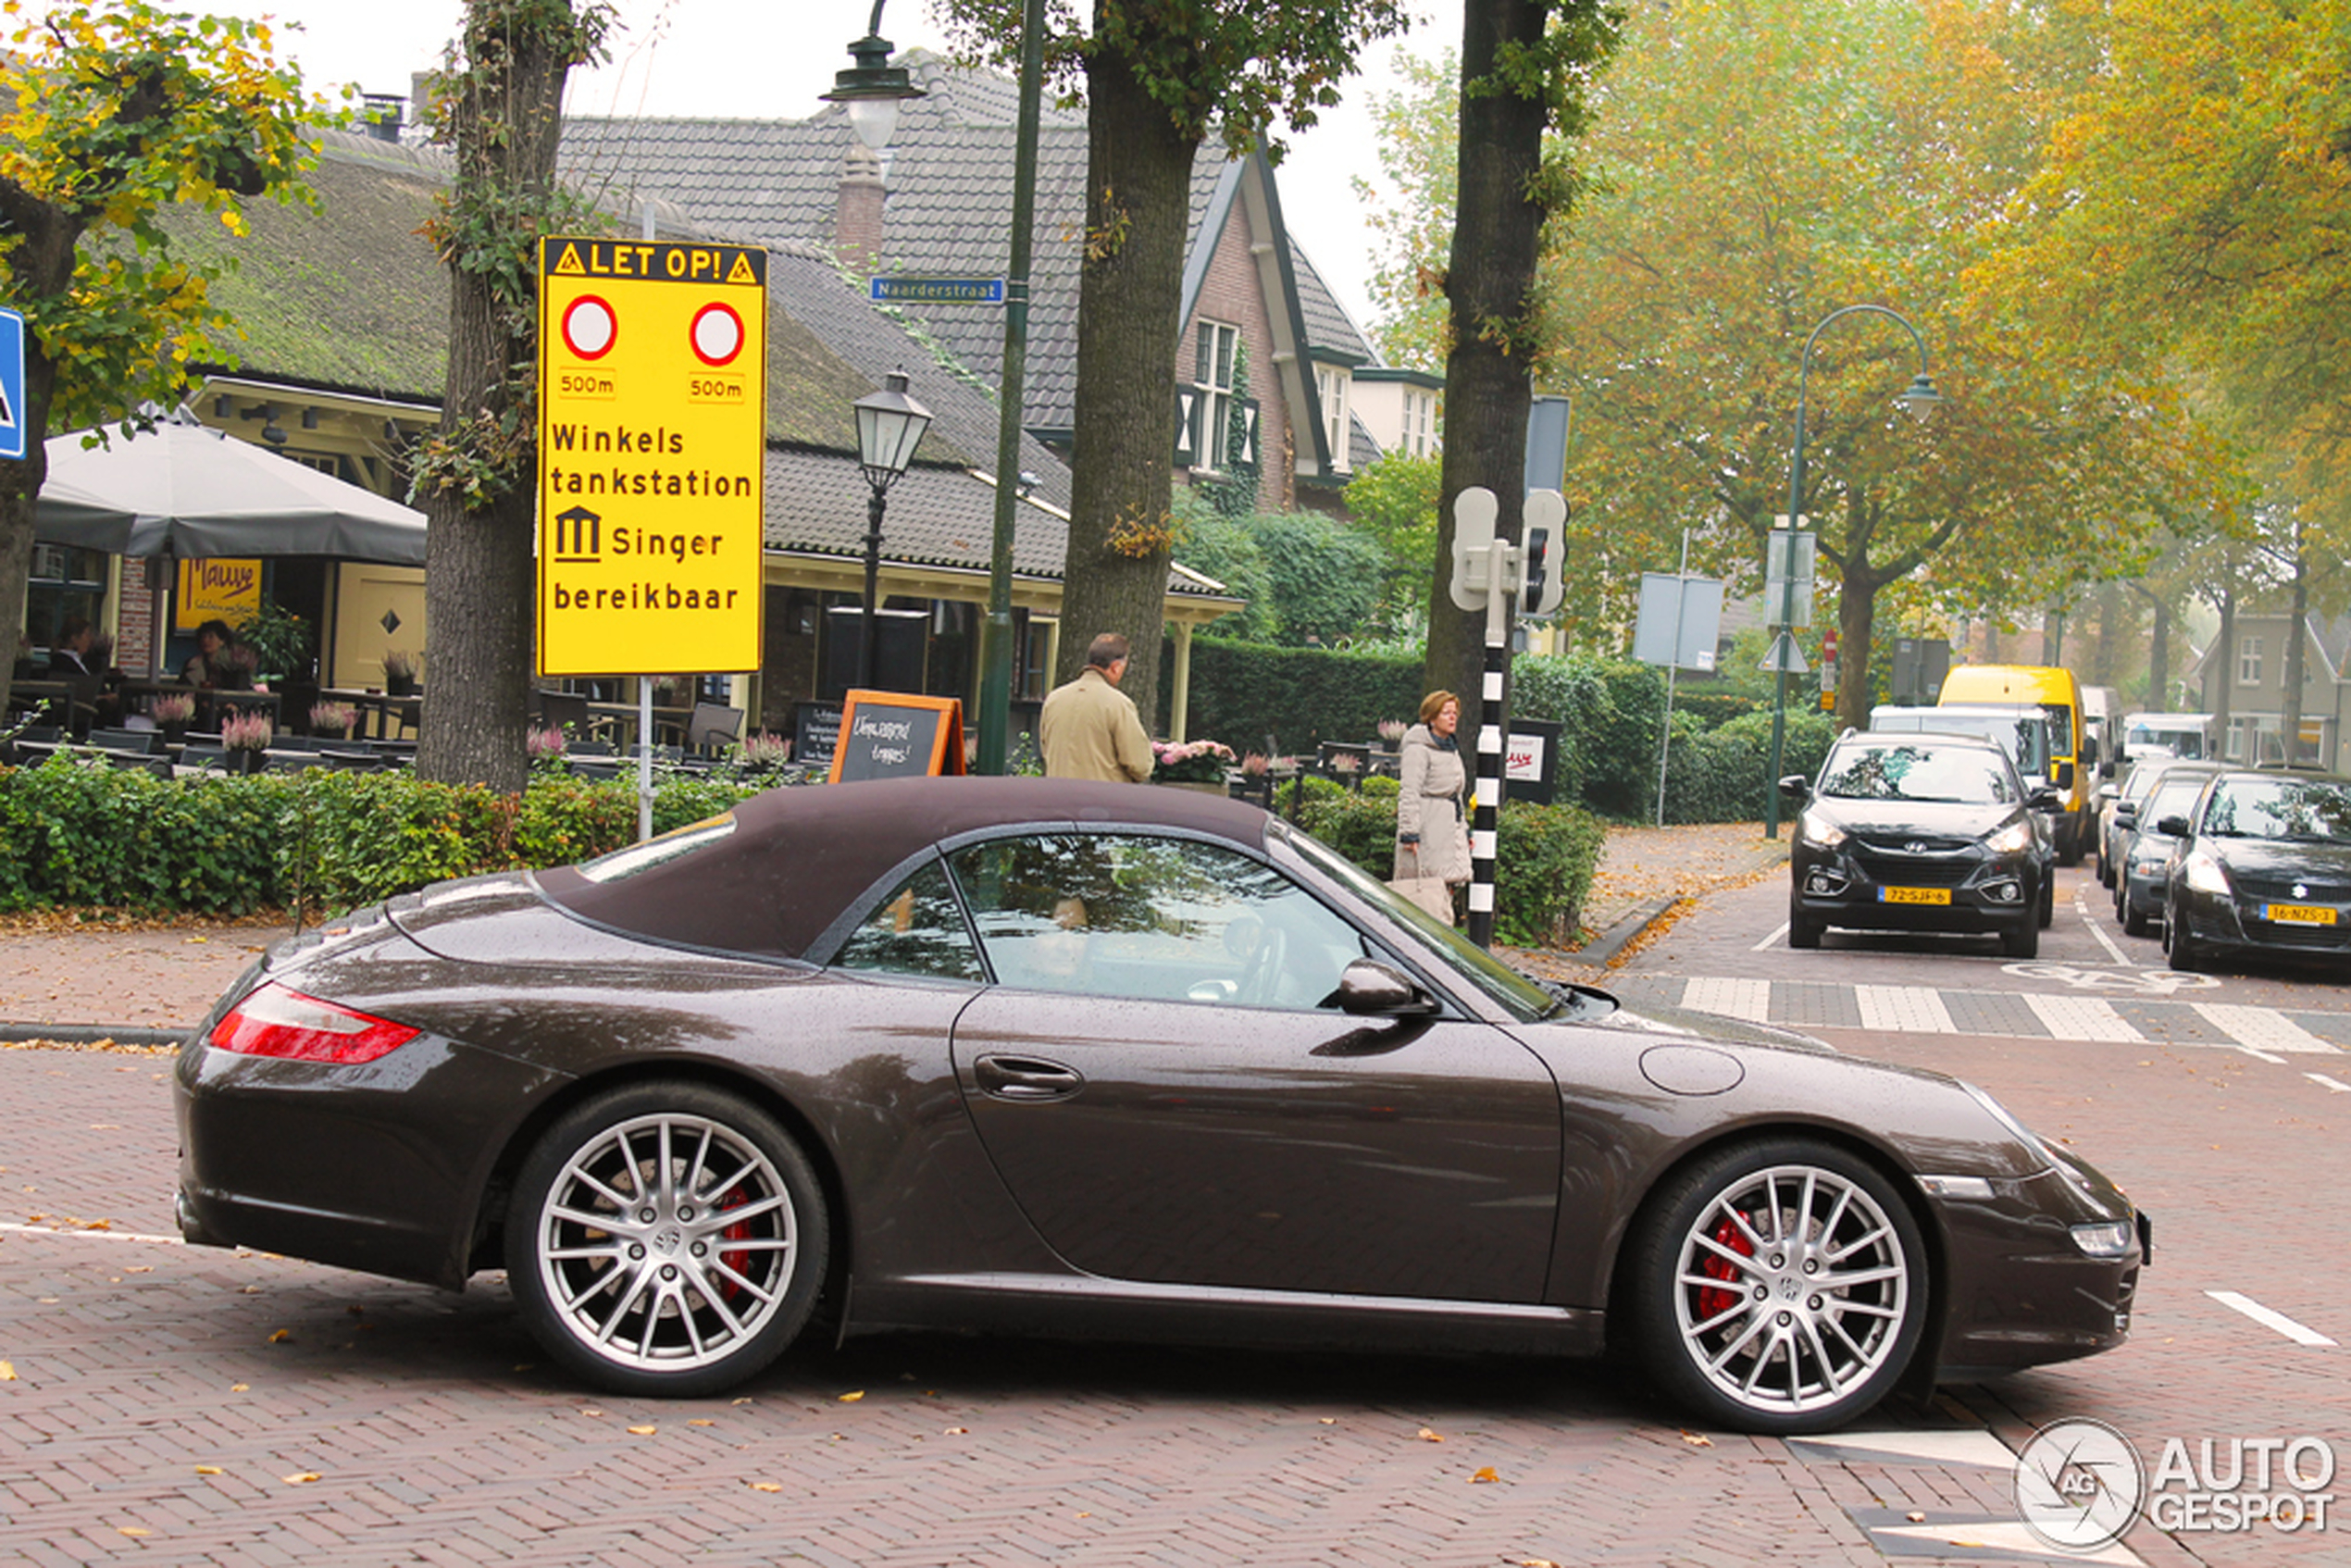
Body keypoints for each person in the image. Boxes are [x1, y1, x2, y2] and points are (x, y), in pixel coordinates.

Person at [1393, 689, 1472, 920]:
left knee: (1446, 883)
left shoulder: (1450, 748)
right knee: (1427, 884)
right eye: (1446, 712)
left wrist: (1464, 829)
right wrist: (1409, 832)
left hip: (1449, 826)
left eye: (1454, 713)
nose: (1452, 717)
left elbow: (1456, 793)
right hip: (1429, 825)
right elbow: (1409, 791)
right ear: (1432, 716)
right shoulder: (1418, 749)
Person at [1039, 632, 1153, 783]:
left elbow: (1045, 750)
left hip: (1059, 797)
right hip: (1102, 799)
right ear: (1116, 667)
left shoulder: (1054, 699)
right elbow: (1139, 764)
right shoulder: (1118, 704)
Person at [181, 620, 234, 688]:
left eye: (211, 637)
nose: (205, 640)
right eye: (203, 636)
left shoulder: (232, 666)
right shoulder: (191, 664)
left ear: (222, 641)